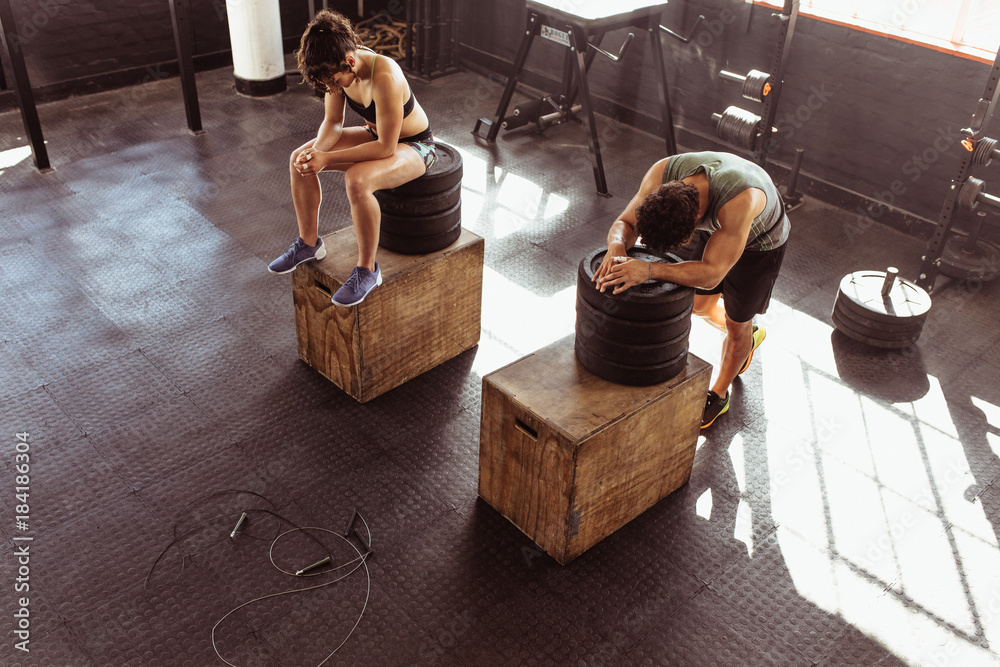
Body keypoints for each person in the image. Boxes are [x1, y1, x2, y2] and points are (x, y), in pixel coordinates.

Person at [593, 151, 790, 429]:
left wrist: (648, 270)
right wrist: (616, 246)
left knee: (736, 327)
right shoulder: (661, 173)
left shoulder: (738, 203)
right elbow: (625, 223)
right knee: (698, 305)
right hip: (722, 228)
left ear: (697, 217)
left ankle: (720, 393)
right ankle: (751, 336)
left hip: (761, 242)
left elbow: (711, 274)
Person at [268, 10, 437, 307]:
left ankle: (368, 270)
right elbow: (333, 121)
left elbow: (386, 147)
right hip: (376, 135)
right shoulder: (338, 69)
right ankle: (309, 244)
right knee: (300, 160)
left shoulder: (384, 74)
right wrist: (316, 153)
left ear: (349, 62)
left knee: (357, 179)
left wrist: (326, 158)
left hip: (415, 146)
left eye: (333, 81)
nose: (332, 87)